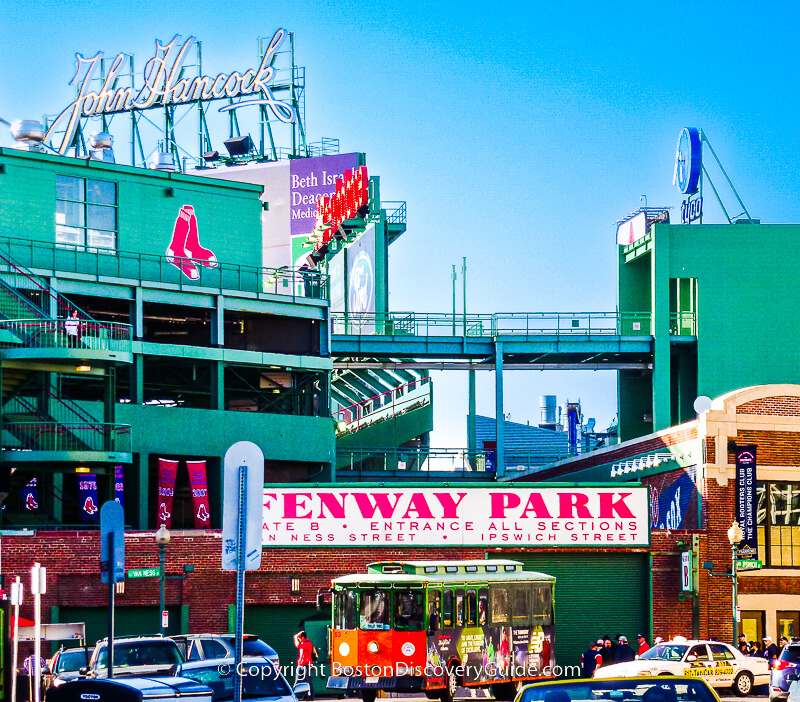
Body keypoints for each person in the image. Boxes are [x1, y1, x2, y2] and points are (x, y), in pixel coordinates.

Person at [293, 630, 316, 700]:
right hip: (302, 664)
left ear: (302, 637)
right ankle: (296, 695)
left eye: (300, 637)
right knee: (301, 681)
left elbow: (298, 645)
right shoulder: (305, 643)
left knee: (306, 681)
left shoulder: (306, 644)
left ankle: (310, 696)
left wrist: (296, 637)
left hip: (306, 665)